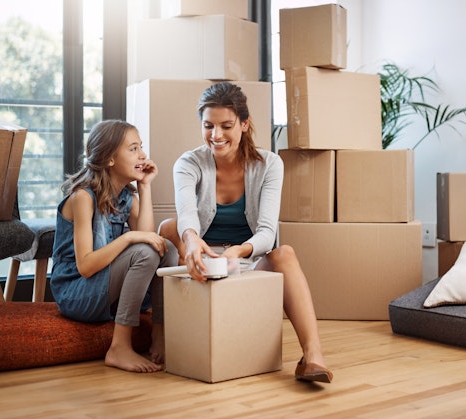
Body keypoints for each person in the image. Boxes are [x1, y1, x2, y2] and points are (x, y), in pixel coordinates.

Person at [159, 82, 333, 383]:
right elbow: (187, 215)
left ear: (244, 123)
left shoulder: (269, 164)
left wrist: (237, 252)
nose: (216, 135)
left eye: (226, 126)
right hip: (204, 256)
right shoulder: (188, 163)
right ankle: (160, 334)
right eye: (208, 125)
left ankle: (313, 355)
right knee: (169, 229)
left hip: (248, 258)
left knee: (286, 253)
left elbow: (267, 232)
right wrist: (192, 242)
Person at [50, 120, 178, 373]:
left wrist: (145, 186)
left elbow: (152, 243)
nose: (142, 155)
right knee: (142, 247)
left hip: (106, 290)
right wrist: (128, 238)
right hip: (78, 293)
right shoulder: (83, 197)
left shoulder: (126, 198)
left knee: (167, 248)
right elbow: (86, 266)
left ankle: (159, 332)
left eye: (141, 147)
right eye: (133, 149)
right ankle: (119, 346)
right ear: (109, 158)